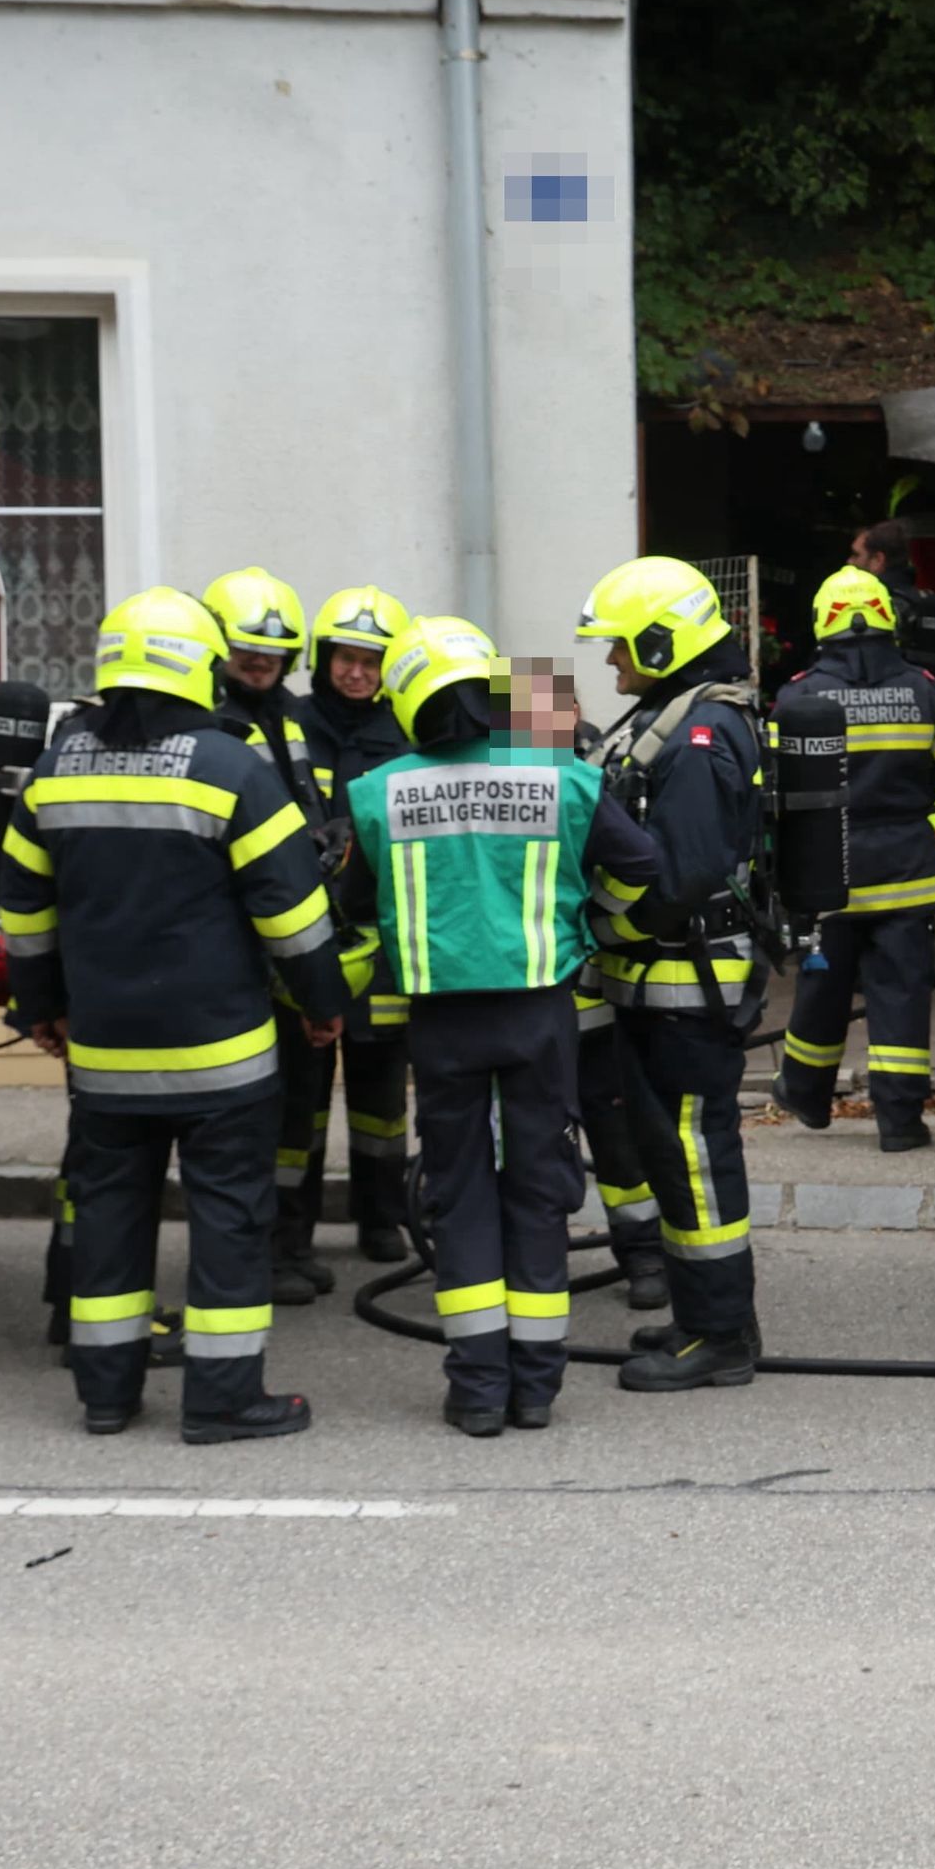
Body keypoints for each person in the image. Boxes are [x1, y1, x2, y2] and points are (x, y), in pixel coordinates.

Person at [0, 587, 349, 1443]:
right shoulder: (232, 768)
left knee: (111, 1216)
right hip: (223, 1058)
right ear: (201, 666)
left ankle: (107, 1395)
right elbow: (292, 914)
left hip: (107, 1055)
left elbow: (22, 908)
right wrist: (323, 1004)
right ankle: (224, 1401)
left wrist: (40, 1007)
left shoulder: (58, 767)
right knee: (230, 1216)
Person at [350, 614, 666, 1438]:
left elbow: (352, 911)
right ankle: (536, 1389)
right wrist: (596, 928)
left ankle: (478, 1391)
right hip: (540, 1013)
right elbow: (642, 869)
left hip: (441, 1019)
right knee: (537, 1191)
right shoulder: (557, 775)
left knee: (457, 1198)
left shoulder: (378, 791)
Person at [575, 556, 773, 1391]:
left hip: (683, 984)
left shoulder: (698, 734)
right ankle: (705, 1315)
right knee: (676, 1147)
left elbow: (684, 871)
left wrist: (607, 925)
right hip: (665, 983)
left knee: (692, 1152)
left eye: (622, 651)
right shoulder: (681, 714)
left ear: (663, 642)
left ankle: (720, 1337)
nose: (614, 667)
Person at [770, 564, 935, 1149]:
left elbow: (772, 791)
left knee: (821, 990)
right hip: (907, 875)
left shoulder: (799, 693)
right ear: (889, 618)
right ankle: (900, 1122)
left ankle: (807, 1095)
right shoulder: (923, 690)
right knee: (901, 1000)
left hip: (826, 874)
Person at [202, 565, 357, 1304]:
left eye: (274, 655)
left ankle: (289, 1243)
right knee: (256, 1118)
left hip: (290, 937)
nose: (260, 665)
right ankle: (262, 1252)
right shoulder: (209, 718)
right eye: (247, 653)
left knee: (298, 1110)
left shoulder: (288, 715)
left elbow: (292, 800)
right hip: (243, 947)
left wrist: (322, 835)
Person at [293, 583, 421, 1266]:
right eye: (346, 657)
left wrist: (556, 719)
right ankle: (290, 1239)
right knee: (298, 1104)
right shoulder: (288, 721)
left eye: (372, 661)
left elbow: (535, 715)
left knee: (380, 1100)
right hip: (299, 944)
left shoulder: (409, 727)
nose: (357, 672)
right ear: (323, 658)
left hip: (382, 946)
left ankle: (382, 1222)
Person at [852, 517, 935, 687]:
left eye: (856, 555)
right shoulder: (932, 602)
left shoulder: (870, 610)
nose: (850, 562)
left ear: (878, 560)